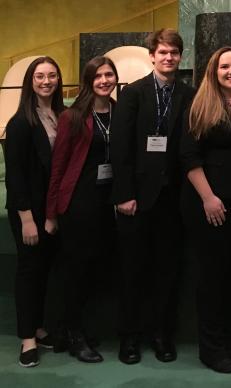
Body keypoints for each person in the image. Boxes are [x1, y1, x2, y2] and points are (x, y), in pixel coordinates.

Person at [110, 28, 195, 365]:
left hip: (172, 200)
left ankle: (161, 336)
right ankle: (129, 339)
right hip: (136, 200)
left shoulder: (188, 94)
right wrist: (124, 194)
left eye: (174, 52)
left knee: (166, 272)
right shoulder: (133, 93)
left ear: (180, 56)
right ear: (152, 56)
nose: (169, 57)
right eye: (163, 52)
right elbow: (121, 148)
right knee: (132, 271)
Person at [179, 46, 231, 374]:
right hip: (210, 202)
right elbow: (189, 156)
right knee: (212, 276)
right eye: (225, 66)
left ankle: (225, 339)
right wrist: (209, 198)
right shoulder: (200, 105)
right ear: (214, 71)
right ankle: (210, 348)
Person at [45, 56, 119, 363]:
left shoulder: (120, 111)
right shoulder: (73, 117)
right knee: (76, 271)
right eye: (98, 76)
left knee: (92, 271)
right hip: (78, 204)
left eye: (109, 74)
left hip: (107, 203)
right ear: (88, 81)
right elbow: (58, 166)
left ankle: (67, 330)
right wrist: (51, 213)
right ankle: (74, 334)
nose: (104, 80)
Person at [4, 56, 66, 367]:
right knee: (29, 273)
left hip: (54, 210)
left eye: (52, 75)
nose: (46, 81)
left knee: (45, 273)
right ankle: (27, 338)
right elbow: (15, 176)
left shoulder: (61, 114)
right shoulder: (19, 123)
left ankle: (40, 328)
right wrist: (28, 219)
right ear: (30, 81)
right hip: (28, 211)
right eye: (40, 76)